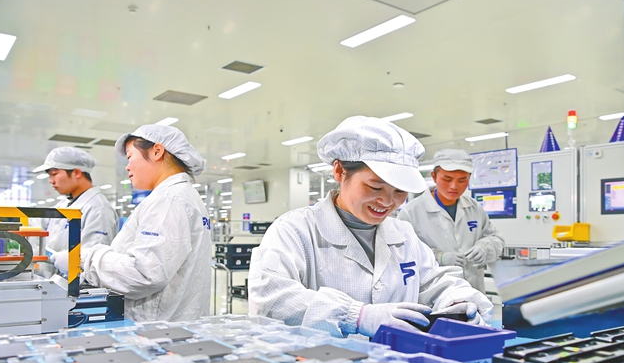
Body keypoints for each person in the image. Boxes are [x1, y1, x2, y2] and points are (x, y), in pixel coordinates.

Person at [248, 116, 493, 338]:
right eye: (375, 187)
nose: (387, 202)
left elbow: (432, 282)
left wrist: (458, 301)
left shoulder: (403, 233)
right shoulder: (295, 230)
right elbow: (270, 299)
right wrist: (356, 316)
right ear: (339, 170)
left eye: (399, 191)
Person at [80, 125, 211, 322]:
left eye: (130, 156)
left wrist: (87, 258)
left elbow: (144, 274)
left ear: (157, 151)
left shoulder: (168, 200)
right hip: (176, 326)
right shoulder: (183, 196)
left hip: (157, 331)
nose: (127, 166)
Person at [397, 149, 504, 293]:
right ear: (434, 176)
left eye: (462, 180)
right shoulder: (411, 213)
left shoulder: (474, 208)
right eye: (447, 179)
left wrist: (484, 248)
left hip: (474, 292)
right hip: (434, 298)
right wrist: (438, 257)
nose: (454, 186)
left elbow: (495, 238)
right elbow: (400, 256)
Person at [32, 147, 117, 277]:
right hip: (50, 283)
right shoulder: (63, 205)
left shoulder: (98, 209)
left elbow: (91, 259)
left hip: (71, 289)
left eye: (54, 174)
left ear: (77, 173)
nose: (51, 180)